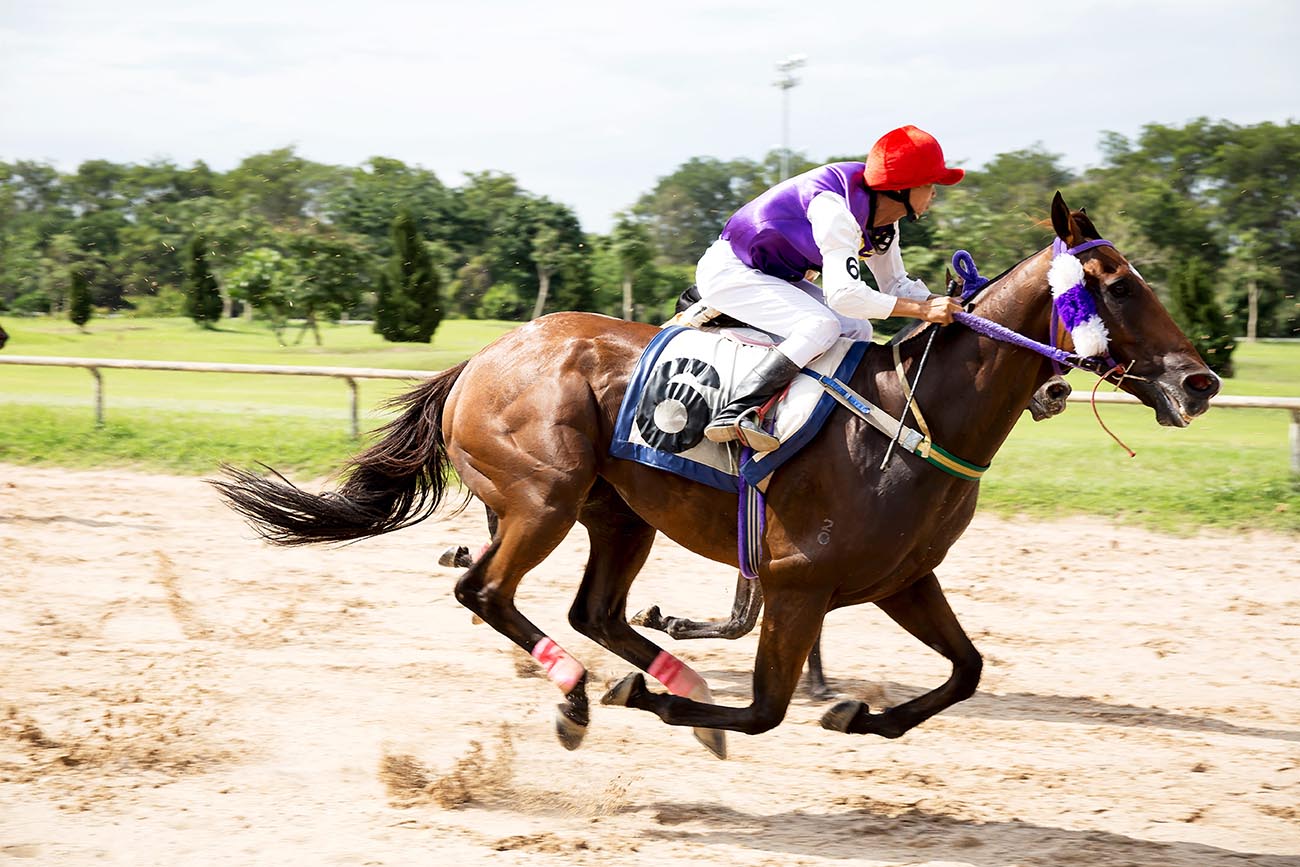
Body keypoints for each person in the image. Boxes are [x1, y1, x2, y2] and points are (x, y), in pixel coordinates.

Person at [696, 124, 966, 451]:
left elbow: (895, 285)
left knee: (857, 329)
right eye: (930, 184)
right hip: (732, 270)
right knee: (822, 325)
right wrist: (923, 310)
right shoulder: (836, 211)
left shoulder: (884, 221)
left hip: (776, 274)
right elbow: (844, 295)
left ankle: (823, 419)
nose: (935, 193)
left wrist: (947, 301)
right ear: (902, 188)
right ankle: (737, 410)